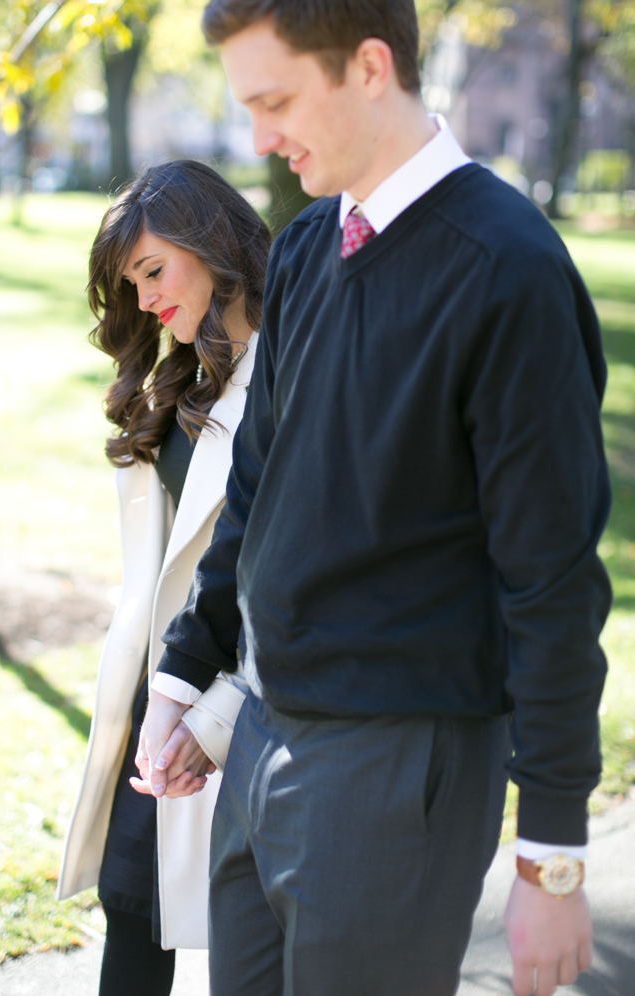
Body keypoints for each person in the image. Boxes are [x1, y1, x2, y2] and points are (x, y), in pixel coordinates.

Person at [139, 3, 608, 995]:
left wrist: (552, 853)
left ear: (368, 66)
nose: (258, 138)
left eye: (275, 101)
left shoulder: (508, 272)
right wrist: (184, 678)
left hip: (396, 768)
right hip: (261, 740)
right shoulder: (307, 249)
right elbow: (256, 488)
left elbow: (553, 579)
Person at [58, 160, 270, 996]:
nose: (144, 300)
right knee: (132, 906)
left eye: (153, 271)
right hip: (159, 694)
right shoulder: (179, 376)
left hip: (243, 704)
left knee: (247, 945)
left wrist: (212, 717)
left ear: (211, 244)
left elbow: (282, 580)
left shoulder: (284, 379)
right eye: (130, 283)